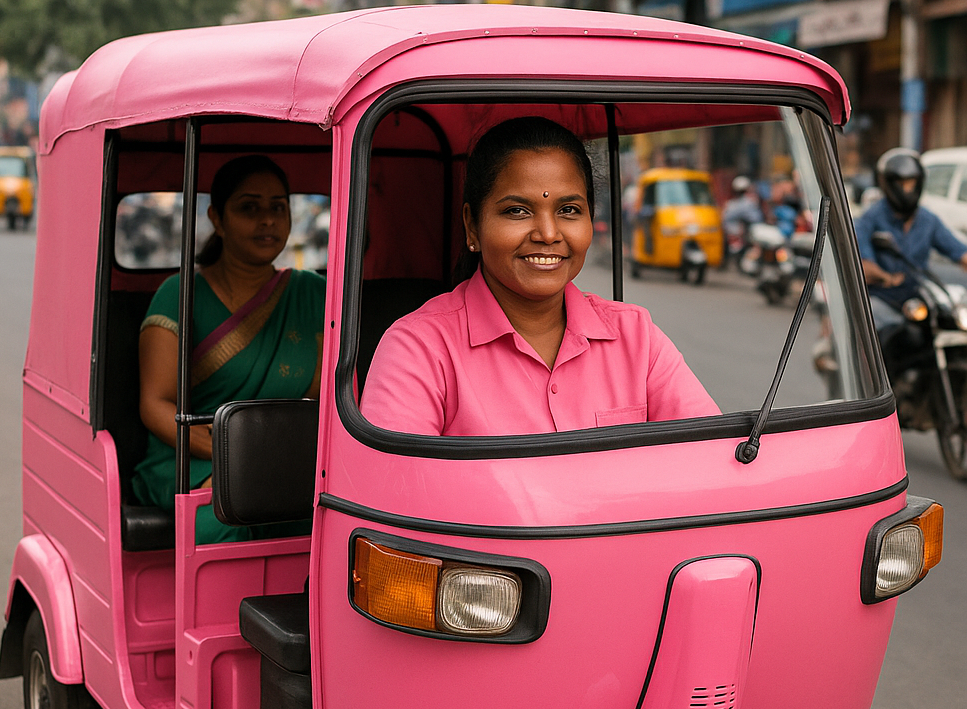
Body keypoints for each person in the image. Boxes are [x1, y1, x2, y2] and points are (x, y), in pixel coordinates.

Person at [359, 117, 719, 436]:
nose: (548, 233)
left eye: (568, 210)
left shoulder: (637, 338)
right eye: (517, 211)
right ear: (472, 225)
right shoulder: (418, 348)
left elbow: (710, 461)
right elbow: (390, 495)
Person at [133, 155, 326, 543]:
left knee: (325, 519)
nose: (268, 220)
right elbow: (155, 403)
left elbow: (339, 397)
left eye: (278, 208)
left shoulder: (314, 294)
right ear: (217, 219)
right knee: (223, 518)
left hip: (287, 459)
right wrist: (232, 454)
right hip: (192, 458)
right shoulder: (179, 294)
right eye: (249, 208)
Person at [856, 148, 967, 331]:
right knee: (871, 327)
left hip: (918, 295)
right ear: (888, 184)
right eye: (901, 184)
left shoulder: (928, 220)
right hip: (883, 296)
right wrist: (886, 277)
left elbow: (959, 251)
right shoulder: (871, 217)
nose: (907, 189)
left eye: (911, 183)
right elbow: (863, 265)